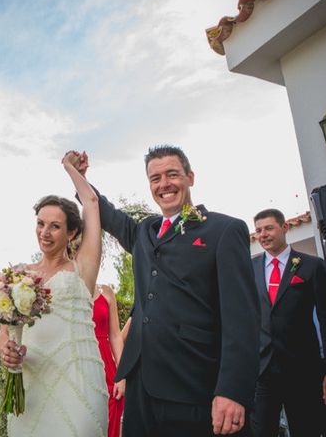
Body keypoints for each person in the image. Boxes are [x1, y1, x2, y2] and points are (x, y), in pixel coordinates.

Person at [70, 145, 260, 436]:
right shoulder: (144, 230)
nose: (164, 184)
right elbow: (105, 212)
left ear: (190, 177)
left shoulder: (224, 230)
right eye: (155, 178)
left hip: (195, 385)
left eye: (172, 174)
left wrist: (233, 390)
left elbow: (242, 319)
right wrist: (79, 177)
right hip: (141, 387)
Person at [0, 151, 108, 436]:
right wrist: (5, 350)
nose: (45, 232)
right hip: (32, 381)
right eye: (40, 223)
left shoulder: (83, 268)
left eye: (55, 226)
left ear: (71, 233)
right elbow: (5, 331)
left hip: (78, 379)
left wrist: (70, 168)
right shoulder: (19, 275)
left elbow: (92, 203)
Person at [251, 209, 326, 437]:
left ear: (284, 228)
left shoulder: (311, 266)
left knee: (306, 429)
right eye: (258, 230)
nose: (263, 234)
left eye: (269, 228)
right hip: (262, 372)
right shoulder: (249, 268)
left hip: (302, 370)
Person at [92, 283, 125, 437]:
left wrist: (123, 374)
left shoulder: (106, 292)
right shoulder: (62, 291)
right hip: (77, 364)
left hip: (107, 371)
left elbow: (116, 335)